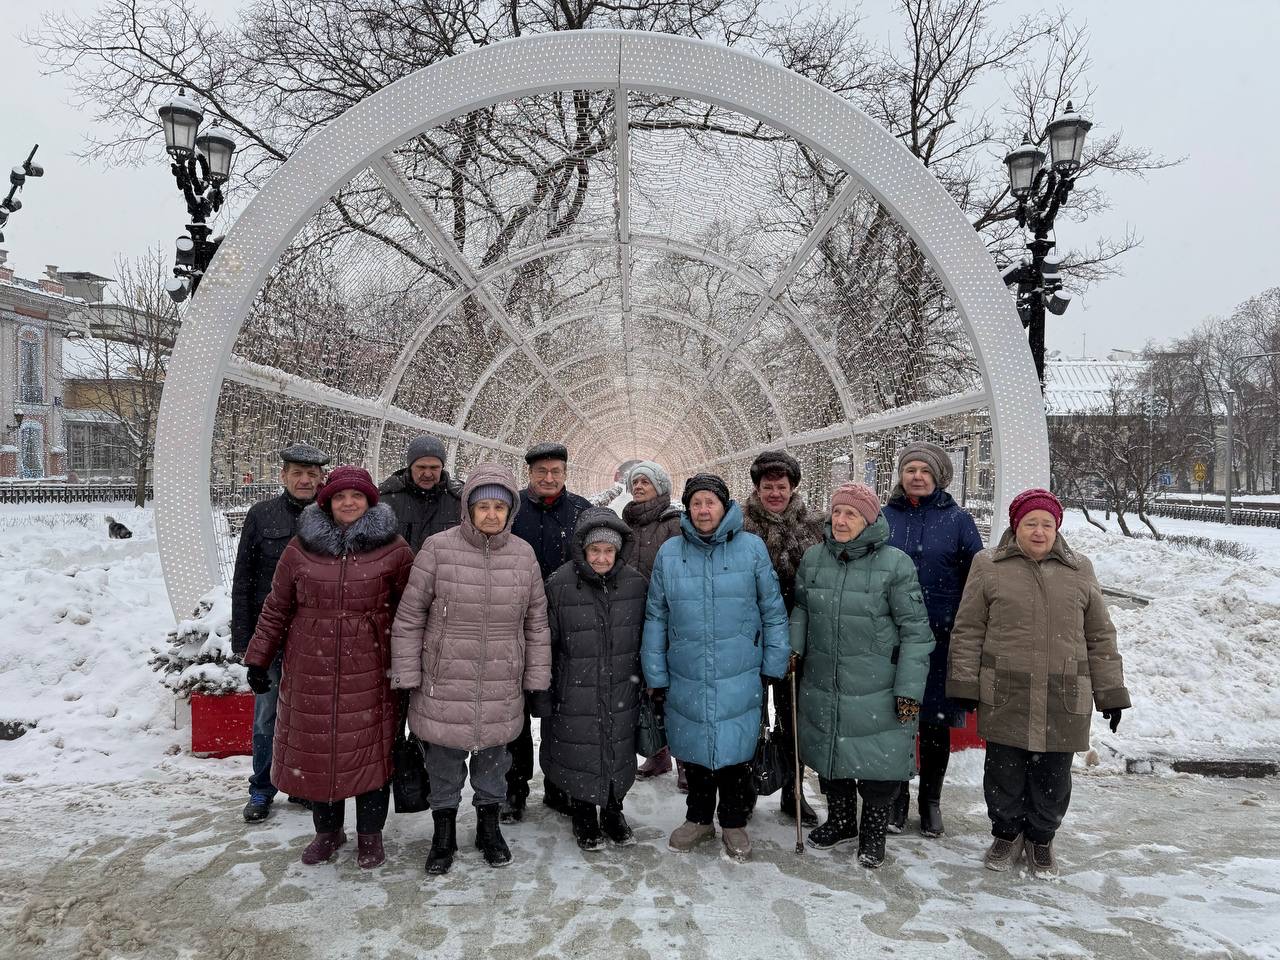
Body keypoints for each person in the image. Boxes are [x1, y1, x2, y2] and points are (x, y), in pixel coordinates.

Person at [948, 488, 1130, 878]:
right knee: (1004, 774)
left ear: (1057, 527)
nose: (1039, 532)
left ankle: (1041, 840)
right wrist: (964, 684)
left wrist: (1110, 692)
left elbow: (1100, 634)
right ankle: (1006, 834)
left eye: (1047, 524)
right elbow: (968, 629)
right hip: (1005, 691)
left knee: (1053, 776)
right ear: (1016, 525)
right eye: (1031, 523)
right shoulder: (989, 565)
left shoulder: (1079, 568)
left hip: (1063, 694)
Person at [243, 466, 414, 869]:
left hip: (371, 668)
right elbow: (277, 606)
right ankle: (327, 832)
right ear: (327, 502)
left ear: (370, 501)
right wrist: (258, 657)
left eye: (357, 496)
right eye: (340, 496)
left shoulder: (394, 549)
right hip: (310, 668)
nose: (348, 503)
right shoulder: (300, 548)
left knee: (370, 752)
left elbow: (410, 611)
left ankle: (370, 835)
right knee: (319, 754)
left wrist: (410, 664)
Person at [390, 465, 552, 874]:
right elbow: (410, 615)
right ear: (468, 509)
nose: (491, 515)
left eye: (499, 507)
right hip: (445, 678)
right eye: (483, 507)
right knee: (443, 762)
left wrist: (536, 678)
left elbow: (536, 623)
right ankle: (443, 831)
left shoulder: (523, 555)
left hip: (501, 677)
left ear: (510, 511)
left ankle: (488, 828)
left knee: (494, 761)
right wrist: (407, 673)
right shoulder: (437, 549)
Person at [641, 473, 790, 863]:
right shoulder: (670, 553)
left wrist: (774, 662)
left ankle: (734, 821)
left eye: (710, 502)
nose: (703, 510)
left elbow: (773, 611)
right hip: (686, 667)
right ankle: (698, 818)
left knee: (736, 748)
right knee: (693, 746)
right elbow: (656, 616)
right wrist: (655, 672)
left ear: (724, 506)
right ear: (687, 508)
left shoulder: (751, 549)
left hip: (739, 667)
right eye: (696, 503)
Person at [791, 482, 934, 869]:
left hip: (878, 684)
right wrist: (794, 646)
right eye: (837, 512)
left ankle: (873, 832)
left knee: (878, 763)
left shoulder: (896, 564)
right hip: (825, 678)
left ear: (869, 521)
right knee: (830, 752)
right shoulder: (814, 558)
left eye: (851, 514)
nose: (840, 520)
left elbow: (916, 633)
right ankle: (841, 821)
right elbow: (802, 607)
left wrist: (909, 691)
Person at [881, 441, 984, 838]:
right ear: (900, 475)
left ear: (939, 477)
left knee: (935, 725)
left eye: (925, 471)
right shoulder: (884, 517)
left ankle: (931, 801)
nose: (917, 477)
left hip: (942, 638)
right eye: (911, 470)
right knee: (897, 720)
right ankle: (896, 798)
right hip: (893, 638)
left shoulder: (958, 520)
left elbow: (975, 579)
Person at [231, 442, 330, 824]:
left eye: (311, 474)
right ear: (284, 476)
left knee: (309, 714)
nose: (304, 480)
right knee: (267, 715)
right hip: (271, 634)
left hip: (314, 637)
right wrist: (245, 642)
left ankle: (301, 783)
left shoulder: (332, 517)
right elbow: (243, 579)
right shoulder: (262, 515)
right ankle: (262, 787)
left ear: (321, 477)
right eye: (297, 473)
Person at [541, 508, 649, 851]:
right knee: (580, 750)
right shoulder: (560, 584)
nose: (601, 558)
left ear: (618, 551)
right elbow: (546, 642)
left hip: (622, 686)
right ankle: (584, 811)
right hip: (575, 688)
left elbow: (647, 638)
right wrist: (545, 688)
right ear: (582, 550)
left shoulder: (635, 584)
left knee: (618, 747)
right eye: (594, 550)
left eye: (608, 550)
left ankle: (614, 809)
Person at [504, 442, 593, 822]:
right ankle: (515, 787)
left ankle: (559, 784)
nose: (549, 477)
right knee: (515, 708)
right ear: (529, 474)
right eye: (541, 471)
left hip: (567, 626)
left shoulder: (581, 511)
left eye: (556, 471)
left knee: (563, 708)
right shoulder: (511, 510)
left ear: (566, 473)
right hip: (516, 625)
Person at [740, 450, 825, 826]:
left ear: (793, 488)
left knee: (793, 717)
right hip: (750, 636)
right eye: (767, 487)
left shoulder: (813, 527)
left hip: (797, 636)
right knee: (751, 715)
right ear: (757, 489)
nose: (775, 493)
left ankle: (794, 790)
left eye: (781, 486)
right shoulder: (740, 526)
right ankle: (746, 789)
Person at [619, 460, 684, 785]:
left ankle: (686, 760)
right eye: (636, 482)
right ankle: (658, 754)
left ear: (660, 487)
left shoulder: (673, 523)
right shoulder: (626, 523)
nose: (639, 486)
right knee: (647, 689)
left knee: (674, 689)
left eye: (646, 481)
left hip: (669, 617)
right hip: (634, 616)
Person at [378, 434, 463, 552]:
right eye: (421, 467)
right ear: (410, 467)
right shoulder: (386, 499)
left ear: (442, 467)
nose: (427, 474)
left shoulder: (459, 500)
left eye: (434, 468)